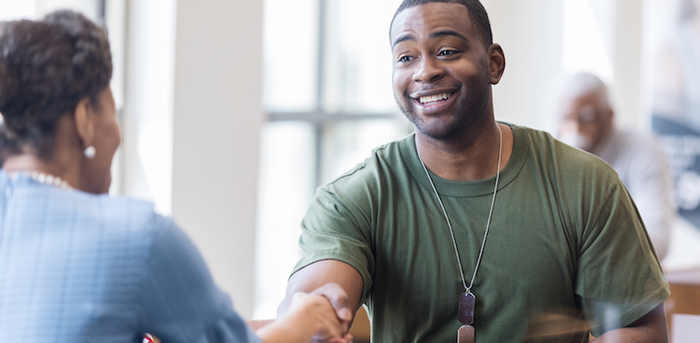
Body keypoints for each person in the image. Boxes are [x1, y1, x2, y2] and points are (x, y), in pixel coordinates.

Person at [278, 0, 670, 342]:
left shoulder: (586, 185)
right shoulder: (354, 197)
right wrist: (316, 312)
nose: (424, 71)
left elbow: (641, 327)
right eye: (406, 57)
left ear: (494, 63)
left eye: (446, 51)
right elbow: (313, 296)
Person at [0, 10, 351, 343]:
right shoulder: (137, 237)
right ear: (84, 120)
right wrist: (304, 318)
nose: (117, 132)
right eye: (111, 108)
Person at [555, 72, 675, 261]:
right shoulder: (551, 147)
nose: (575, 128)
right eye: (567, 117)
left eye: (586, 118)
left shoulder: (642, 151)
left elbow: (657, 238)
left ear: (609, 116)